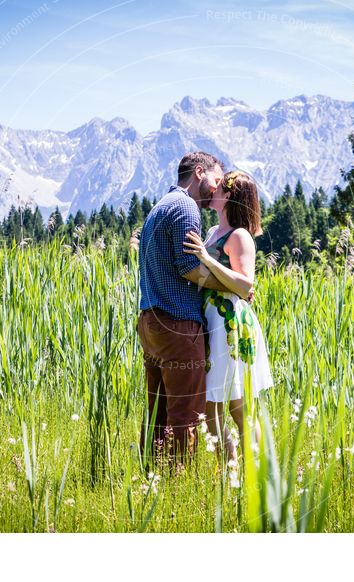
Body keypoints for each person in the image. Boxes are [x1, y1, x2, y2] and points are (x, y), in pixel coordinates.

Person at [137, 151, 229, 464]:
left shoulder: (160, 206)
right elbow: (190, 267)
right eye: (216, 181)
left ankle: (151, 477)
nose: (217, 189)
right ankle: (178, 489)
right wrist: (232, 286)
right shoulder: (186, 207)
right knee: (185, 415)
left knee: (157, 412)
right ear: (199, 172)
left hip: (151, 321)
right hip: (177, 323)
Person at [183, 171, 273, 461]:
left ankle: (257, 469)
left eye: (220, 186)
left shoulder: (240, 236)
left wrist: (207, 258)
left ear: (230, 197)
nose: (213, 188)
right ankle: (229, 465)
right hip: (211, 322)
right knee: (210, 403)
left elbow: (246, 284)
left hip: (230, 324)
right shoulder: (212, 233)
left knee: (236, 403)